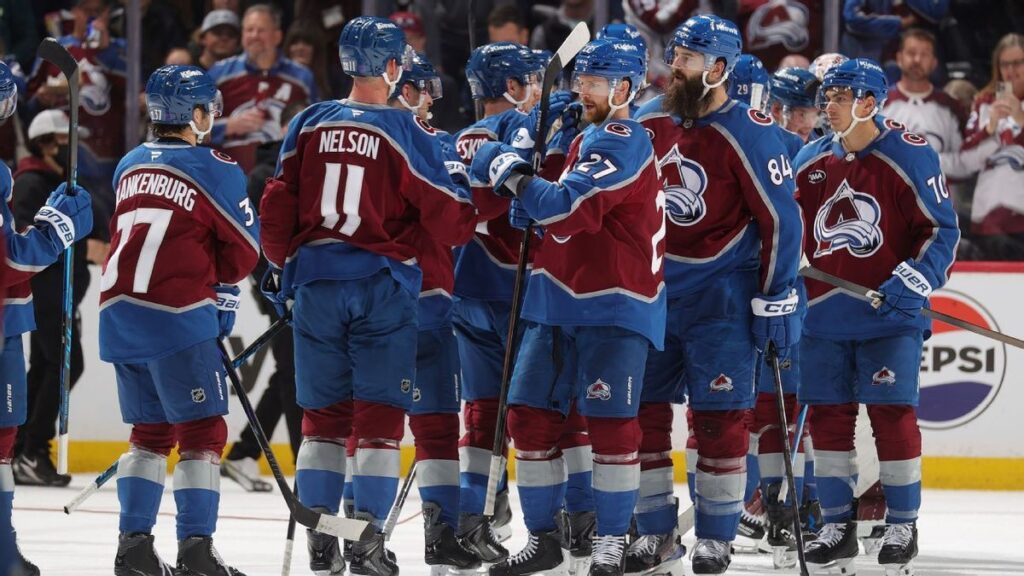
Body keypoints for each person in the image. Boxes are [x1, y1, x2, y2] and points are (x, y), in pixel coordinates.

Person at [258, 16, 477, 576]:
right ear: (390, 66)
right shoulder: (405, 131)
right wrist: (471, 203)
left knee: (322, 422)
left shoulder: (307, 122)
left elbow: (278, 202)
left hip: (314, 284)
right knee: (379, 423)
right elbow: (446, 218)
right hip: (379, 287)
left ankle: (322, 539)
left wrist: (280, 267)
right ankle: (366, 542)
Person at [471, 35, 664, 576]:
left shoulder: (625, 138)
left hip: (616, 305)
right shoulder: (582, 132)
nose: (583, 90)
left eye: (595, 81)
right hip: (555, 298)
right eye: (580, 79)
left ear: (625, 87)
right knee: (527, 416)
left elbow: (565, 207)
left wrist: (507, 169)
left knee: (610, 426)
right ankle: (546, 540)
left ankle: (608, 543)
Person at [633, 15, 803, 574]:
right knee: (643, 416)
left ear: (719, 68)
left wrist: (776, 296)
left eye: (686, 58)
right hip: (652, 294)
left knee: (721, 418)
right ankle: (656, 532)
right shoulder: (649, 119)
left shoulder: (749, 129)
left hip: (721, 300)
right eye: (675, 54)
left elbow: (781, 219)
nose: (673, 65)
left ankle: (715, 537)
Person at [793, 57, 959, 575]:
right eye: (826, 97)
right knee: (829, 420)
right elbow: (784, 228)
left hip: (889, 316)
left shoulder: (910, 155)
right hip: (822, 316)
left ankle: (902, 523)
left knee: (890, 415)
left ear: (867, 102)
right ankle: (837, 524)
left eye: (838, 98)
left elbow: (941, 230)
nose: (827, 106)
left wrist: (915, 278)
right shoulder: (811, 159)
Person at [100, 65, 258, 576]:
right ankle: (195, 551)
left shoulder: (128, 163)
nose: (211, 115)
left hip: (119, 314)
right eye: (207, 107)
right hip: (177, 315)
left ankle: (135, 550)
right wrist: (221, 284)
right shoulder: (215, 166)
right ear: (192, 114)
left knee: (148, 433)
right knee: (203, 432)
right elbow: (245, 253)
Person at [450, 40, 546, 566]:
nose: (537, 90)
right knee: (538, 409)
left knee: (481, 409)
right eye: (531, 79)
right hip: (517, 291)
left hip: (466, 288)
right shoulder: (520, 130)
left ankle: (475, 514)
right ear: (512, 87)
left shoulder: (454, 139)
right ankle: (560, 524)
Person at [386, 49, 481, 574]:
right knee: (438, 426)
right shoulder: (436, 145)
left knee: (367, 425)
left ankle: (354, 538)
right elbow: (461, 221)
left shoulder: (347, 135)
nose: (431, 102)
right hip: (428, 302)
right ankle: (441, 534)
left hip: (368, 300)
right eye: (424, 90)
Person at [0, 60, 94, 576]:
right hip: (16, 315)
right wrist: (57, 231)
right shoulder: (19, 178)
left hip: (24, 312)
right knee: (5, 440)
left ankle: (3, 544)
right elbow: (12, 257)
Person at [10, 110, 107, 488]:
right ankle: (33, 448)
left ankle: (21, 446)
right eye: (65, 141)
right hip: (48, 293)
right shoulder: (33, 182)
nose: (73, 148)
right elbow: (29, 240)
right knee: (65, 365)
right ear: (45, 143)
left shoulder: (60, 182)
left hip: (59, 294)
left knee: (46, 366)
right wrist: (84, 252)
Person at [220, 100, 308, 494]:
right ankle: (304, 460)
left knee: (287, 369)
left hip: (301, 285)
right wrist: (273, 288)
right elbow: (255, 241)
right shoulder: (262, 174)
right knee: (293, 369)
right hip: (278, 288)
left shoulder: (308, 170)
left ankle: (242, 453)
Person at [207, 3, 316, 173]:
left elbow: (317, 129)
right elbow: (192, 128)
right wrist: (228, 126)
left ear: (277, 36)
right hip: (227, 179)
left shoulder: (301, 77)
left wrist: (296, 131)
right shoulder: (219, 75)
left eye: (261, 30)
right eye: (249, 30)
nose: (254, 36)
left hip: (282, 178)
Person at [959, 33, 1024, 255]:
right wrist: (990, 129)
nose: (1010, 70)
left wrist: (1019, 119)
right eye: (1004, 64)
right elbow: (967, 162)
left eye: (1017, 63)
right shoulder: (984, 103)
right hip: (989, 218)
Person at [768, 66, 821, 150]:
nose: (810, 125)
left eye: (816, 114)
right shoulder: (757, 144)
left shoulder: (818, 147)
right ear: (776, 110)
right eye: (802, 114)